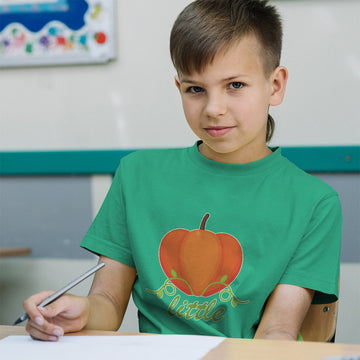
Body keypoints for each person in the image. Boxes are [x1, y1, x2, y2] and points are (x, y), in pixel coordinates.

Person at [23, 0, 342, 342]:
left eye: (235, 85)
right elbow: (108, 303)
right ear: (179, 88)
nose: (213, 108)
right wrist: (81, 311)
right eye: (195, 89)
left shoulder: (315, 203)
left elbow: (277, 330)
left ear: (275, 85)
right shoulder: (136, 175)